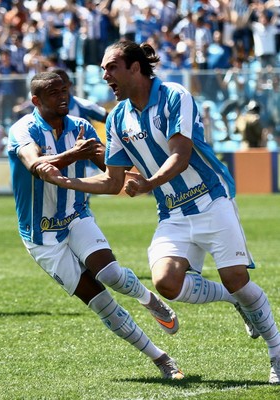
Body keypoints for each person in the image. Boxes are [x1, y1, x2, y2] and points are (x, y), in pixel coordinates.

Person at [36, 41, 280, 385]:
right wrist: (65, 182)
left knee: (236, 278)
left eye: (111, 67)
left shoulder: (174, 95)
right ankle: (235, 301)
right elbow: (112, 181)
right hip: (172, 213)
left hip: (212, 199)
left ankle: (277, 353)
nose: (105, 75)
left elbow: (180, 155)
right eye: (104, 70)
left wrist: (148, 183)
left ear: (135, 68)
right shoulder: (118, 116)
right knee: (166, 283)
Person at [7, 71, 184, 380]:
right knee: (101, 302)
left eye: (65, 90)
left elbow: (109, 166)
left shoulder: (81, 127)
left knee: (111, 273)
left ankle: (150, 301)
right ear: (36, 100)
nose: (63, 96)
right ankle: (160, 358)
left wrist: (132, 172)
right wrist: (76, 154)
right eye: (54, 93)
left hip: (77, 216)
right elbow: (37, 167)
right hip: (41, 234)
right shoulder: (23, 130)